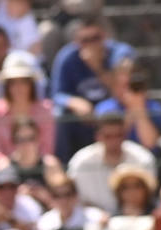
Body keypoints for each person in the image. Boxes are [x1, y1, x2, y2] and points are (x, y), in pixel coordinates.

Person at [50, 15, 134, 159]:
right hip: (82, 115)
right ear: (76, 41)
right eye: (84, 40)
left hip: (112, 109)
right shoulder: (67, 57)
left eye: (95, 38)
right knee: (60, 115)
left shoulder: (120, 52)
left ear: (105, 36)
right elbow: (56, 94)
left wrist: (97, 67)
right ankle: (63, 165)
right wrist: (75, 103)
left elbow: (122, 88)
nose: (90, 44)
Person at [66, 111, 155, 213]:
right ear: (98, 136)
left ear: (125, 135)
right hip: (93, 224)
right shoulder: (81, 162)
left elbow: (149, 197)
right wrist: (96, 215)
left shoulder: (142, 158)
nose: (114, 141)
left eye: (118, 135)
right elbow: (76, 200)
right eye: (108, 136)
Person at [0, 49, 52, 160]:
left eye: (23, 82)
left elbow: (47, 148)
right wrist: (5, 164)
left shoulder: (45, 109)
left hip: (39, 167)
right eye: (13, 82)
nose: (18, 87)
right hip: (6, 170)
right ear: (7, 86)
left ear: (31, 84)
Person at [36, 173, 103, 230]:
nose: (63, 200)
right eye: (57, 195)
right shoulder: (44, 222)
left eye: (67, 194)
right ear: (50, 198)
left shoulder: (95, 217)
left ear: (76, 195)